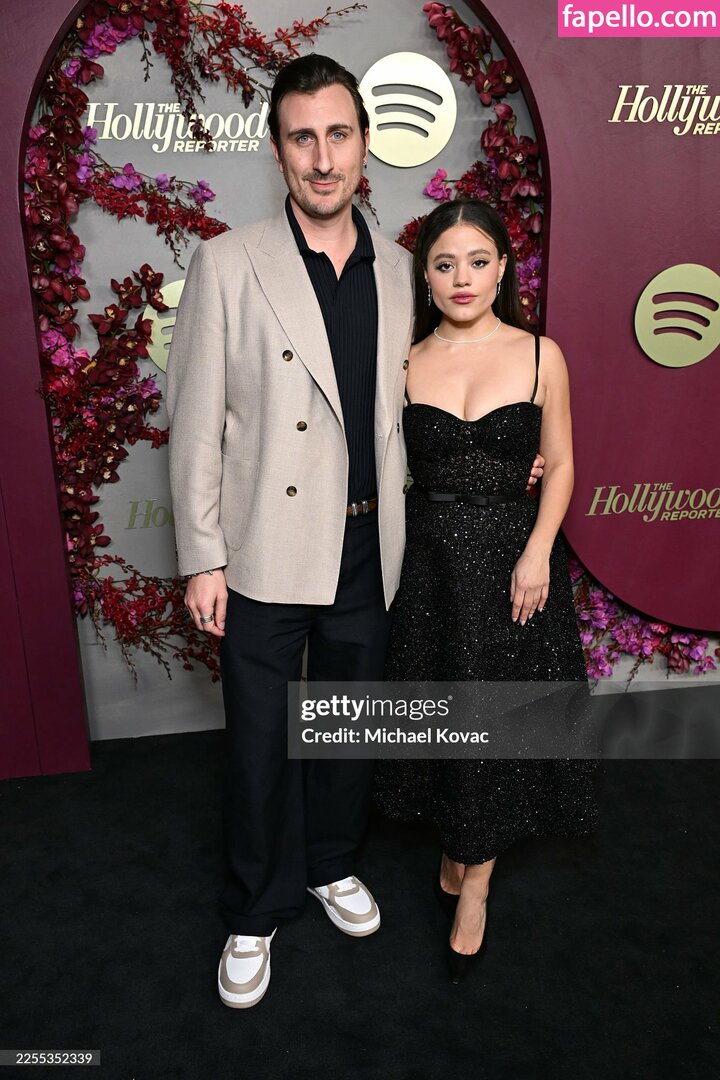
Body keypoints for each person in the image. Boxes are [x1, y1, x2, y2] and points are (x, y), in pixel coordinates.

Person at [167, 55, 543, 1008]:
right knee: (261, 740)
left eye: (339, 134)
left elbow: (435, 387)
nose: (323, 157)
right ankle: (256, 908)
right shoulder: (228, 261)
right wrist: (202, 557)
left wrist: (510, 462)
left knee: (344, 727)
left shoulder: (402, 268)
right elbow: (196, 422)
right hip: (262, 544)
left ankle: (332, 862)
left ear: (365, 145)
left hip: (371, 545)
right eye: (303, 137)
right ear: (278, 150)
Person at [374, 198, 597, 984]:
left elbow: (560, 464)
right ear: (426, 278)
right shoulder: (402, 361)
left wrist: (537, 553)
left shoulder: (541, 356)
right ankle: (457, 841)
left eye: (476, 261)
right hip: (431, 568)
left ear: (502, 267)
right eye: (444, 264)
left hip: (513, 566)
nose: (461, 278)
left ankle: (476, 885)